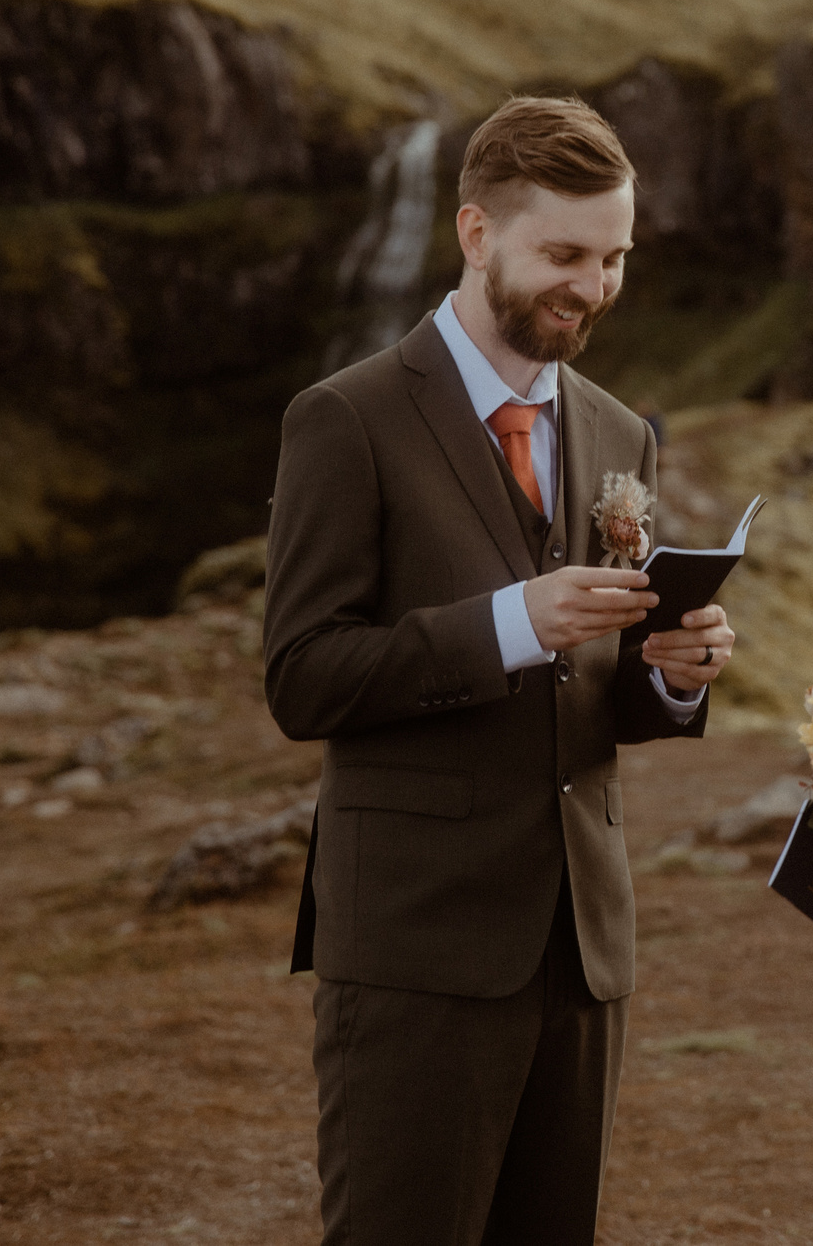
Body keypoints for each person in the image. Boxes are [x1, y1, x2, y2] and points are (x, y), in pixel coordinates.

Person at [261, 96, 737, 1246]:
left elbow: (600, 692)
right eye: (564, 254)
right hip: (416, 949)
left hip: (582, 955)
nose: (594, 285)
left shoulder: (623, 435)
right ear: (476, 235)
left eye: (614, 257)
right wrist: (510, 622)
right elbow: (304, 678)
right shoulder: (345, 419)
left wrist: (674, 673)